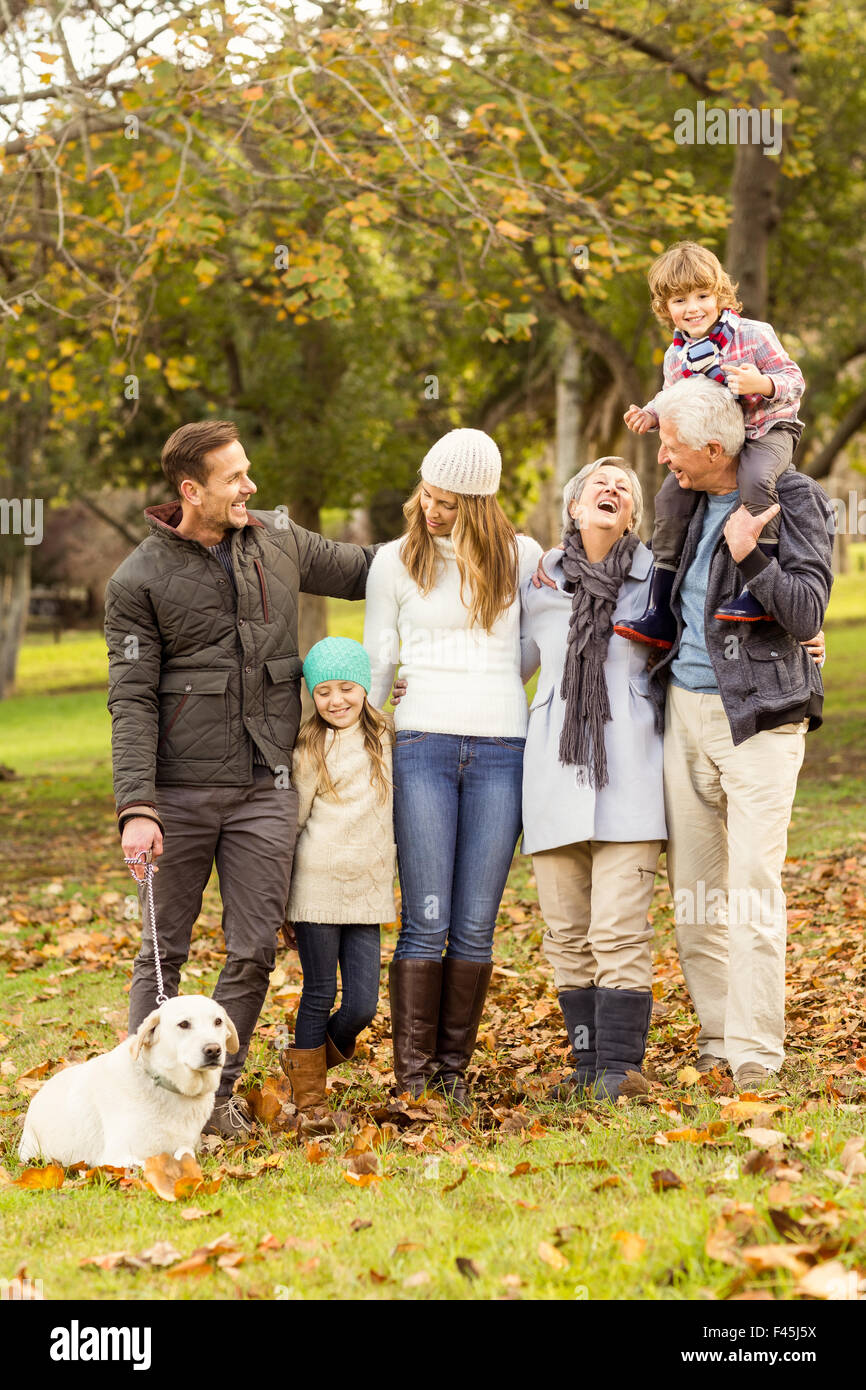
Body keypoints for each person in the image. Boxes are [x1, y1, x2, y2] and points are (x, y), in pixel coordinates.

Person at [105, 420, 378, 1138]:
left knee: (254, 947)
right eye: (235, 478)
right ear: (192, 490)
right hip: (179, 794)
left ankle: (213, 1094)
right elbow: (130, 697)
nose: (250, 487)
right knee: (163, 952)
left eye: (249, 473)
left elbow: (368, 570)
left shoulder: (278, 539)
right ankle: (146, 1098)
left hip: (267, 785)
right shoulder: (137, 580)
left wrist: (455, 527)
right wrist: (138, 806)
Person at [645, 377, 833, 1089]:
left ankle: (758, 1054)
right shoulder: (687, 504)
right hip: (684, 712)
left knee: (752, 890)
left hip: (760, 718)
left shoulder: (798, 499)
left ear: (717, 447)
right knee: (694, 895)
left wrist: (752, 555)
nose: (663, 456)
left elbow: (809, 613)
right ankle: (720, 1036)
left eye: (673, 445)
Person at [363, 428, 542, 1108]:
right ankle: (413, 1079)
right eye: (428, 497)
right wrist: (370, 733)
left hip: (502, 749)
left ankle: (452, 1074)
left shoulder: (521, 557)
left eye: (448, 504)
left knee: (474, 922)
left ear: (480, 504)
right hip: (422, 748)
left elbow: (529, 646)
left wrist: (491, 686)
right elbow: (379, 658)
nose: (432, 512)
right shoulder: (393, 562)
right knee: (426, 919)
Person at [521, 459, 666, 1100]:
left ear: (632, 513)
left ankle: (618, 1070)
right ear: (574, 506)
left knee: (618, 930)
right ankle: (584, 1068)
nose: (612, 491)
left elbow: (701, 647)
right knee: (566, 934)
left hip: (630, 769)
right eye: (599, 485)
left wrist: (801, 644)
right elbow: (507, 660)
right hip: (553, 772)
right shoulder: (538, 582)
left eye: (625, 489)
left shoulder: (657, 580)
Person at [619, 240, 806, 645]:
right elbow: (672, 399)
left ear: (720, 294)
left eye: (703, 296)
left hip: (766, 429)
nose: (693, 307)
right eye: (680, 299)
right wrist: (651, 414)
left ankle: (757, 591)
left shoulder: (754, 335)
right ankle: (659, 610)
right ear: (664, 307)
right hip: (716, 443)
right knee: (670, 498)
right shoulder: (676, 356)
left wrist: (763, 383)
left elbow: (794, 381)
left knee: (756, 481)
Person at [278, 637, 396, 1113]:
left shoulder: (388, 735)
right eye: (323, 691)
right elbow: (293, 824)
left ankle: (303, 1065)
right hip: (316, 887)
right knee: (320, 990)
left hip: (367, 889)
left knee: (363, 1005)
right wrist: (280, 898)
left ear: (365, 688)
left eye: (347, 688)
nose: (336, 701)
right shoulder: (308, 747)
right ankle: (310, 1103)